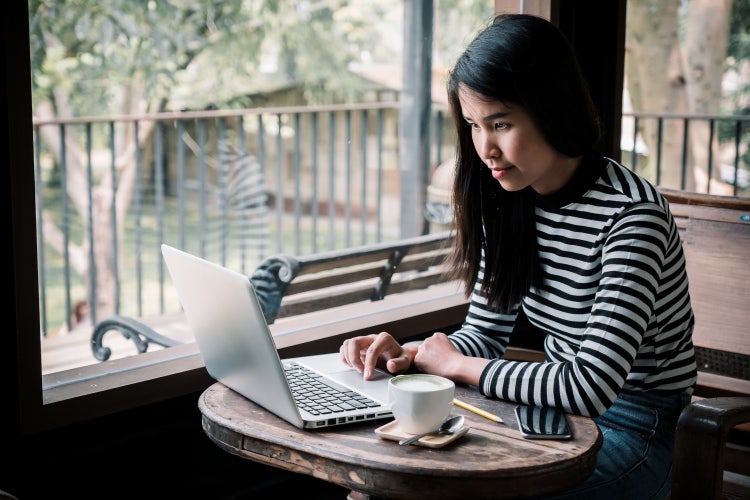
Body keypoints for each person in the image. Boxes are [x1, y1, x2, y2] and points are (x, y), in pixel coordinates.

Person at [339, 13, 697, 500]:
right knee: (382, 488)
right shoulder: (510, 198)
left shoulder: (633, 219)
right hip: (550, 418)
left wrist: (456, 366)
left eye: (501, 123)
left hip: (634, 429)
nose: (486, 147)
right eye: (473, 125)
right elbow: (484, 335)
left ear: (552, 109)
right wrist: (413, 356)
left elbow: (590, 386)